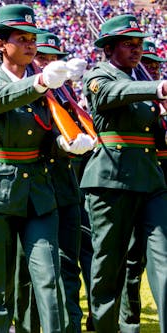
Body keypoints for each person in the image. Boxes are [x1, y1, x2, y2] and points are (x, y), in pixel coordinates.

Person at [0, 5, 93, 332]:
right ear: (0, 45)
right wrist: (38, 83)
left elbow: (47, 132)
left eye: (32, 39)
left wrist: (65, 145)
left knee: (48, 275)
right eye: (21, 39)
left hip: (38, 191)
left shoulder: (47, 88)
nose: (30, 45)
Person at [81, 14, 167, 332]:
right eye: (128, 44)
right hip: (110, 179)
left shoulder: (142, 81)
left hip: (151, 179)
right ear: (110, 48)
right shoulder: (98, 76)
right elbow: (111, 95)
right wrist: (158, 88)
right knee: (109, 265)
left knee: (164, 257)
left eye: (139, 44)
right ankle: (107, 327)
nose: (136, 49)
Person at [14, 32, 92, 333]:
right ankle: (26, 325)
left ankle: (69, 325)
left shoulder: (67, 96)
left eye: (52, 60)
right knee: (26, 269)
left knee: (67, 265)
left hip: (65, 186)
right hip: (32, 188)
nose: (47, 64)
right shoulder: (27, 93)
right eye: (41, 59)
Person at [118, 40, 167, 333]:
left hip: (160, 180)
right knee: (133, 258)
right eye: (146, 65)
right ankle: (130, 320)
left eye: (155, 66)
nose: (150, 70)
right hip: (141, 179)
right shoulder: (137, 99)